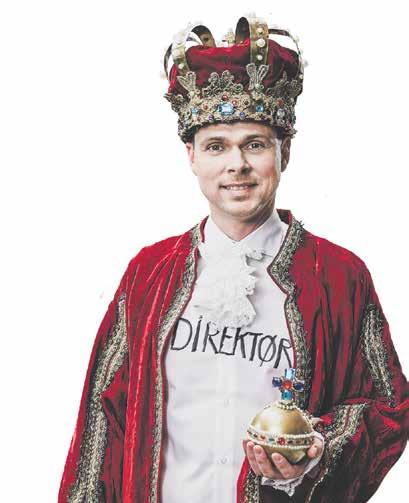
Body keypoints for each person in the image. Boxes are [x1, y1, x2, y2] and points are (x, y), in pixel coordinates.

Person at [58, 14, 409, 503]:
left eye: (255, 145)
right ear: (192, 157)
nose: (236, 165)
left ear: (285, 153)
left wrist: (318, 449)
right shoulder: (148, 273)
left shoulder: (339, 276)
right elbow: (103, 420)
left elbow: (388, 406)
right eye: (216, 147)